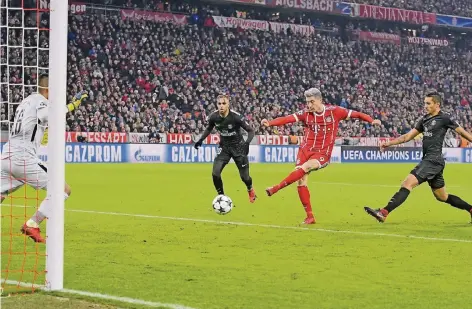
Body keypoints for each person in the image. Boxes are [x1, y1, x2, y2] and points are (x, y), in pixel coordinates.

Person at [261, 88, 381, 224]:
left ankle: (275, 188)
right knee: (301, 181)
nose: (309, 105)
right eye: (307, 102)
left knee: (305, 167)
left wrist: (371, 121)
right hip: (305, 150)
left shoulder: (334, 111)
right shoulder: (305, 114)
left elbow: (357, 114)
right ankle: (310, 216)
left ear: (320, 100)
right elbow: (287, 119)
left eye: (312, 102)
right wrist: (270, 123)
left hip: (322, 153)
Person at [0, 74, 88, 243]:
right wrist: (73, 105)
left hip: (6, 156)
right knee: (63, 189)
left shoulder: (25, 102)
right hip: (23, 158)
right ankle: (32, 223)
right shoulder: (41, 101)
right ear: (47, 89)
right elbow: (52, 115)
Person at [364, 91, 472, 223]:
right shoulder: (424, 120)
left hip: (433, 160)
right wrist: (389, 143)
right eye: (425, 103)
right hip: (433, 161)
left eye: (428, 103)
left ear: (437, 104)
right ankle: (471, 209)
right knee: (442, 196)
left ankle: (384, 212)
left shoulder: (444, 118)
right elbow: (407, 137)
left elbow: (462, 132)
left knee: (407, 183)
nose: (425, 106)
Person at [194, 94, 257, 203]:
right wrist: (200, 139)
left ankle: (250, 189)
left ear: (228, 105)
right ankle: (221, 197)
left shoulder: (236, 117)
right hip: (224, 147)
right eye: (219, 103)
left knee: (245, 177)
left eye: (224, 103)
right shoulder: (213, 117)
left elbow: (251, 131)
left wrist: (246, 144)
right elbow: (209, 128)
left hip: (238, 147)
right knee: (215, 173)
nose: (221, 106)